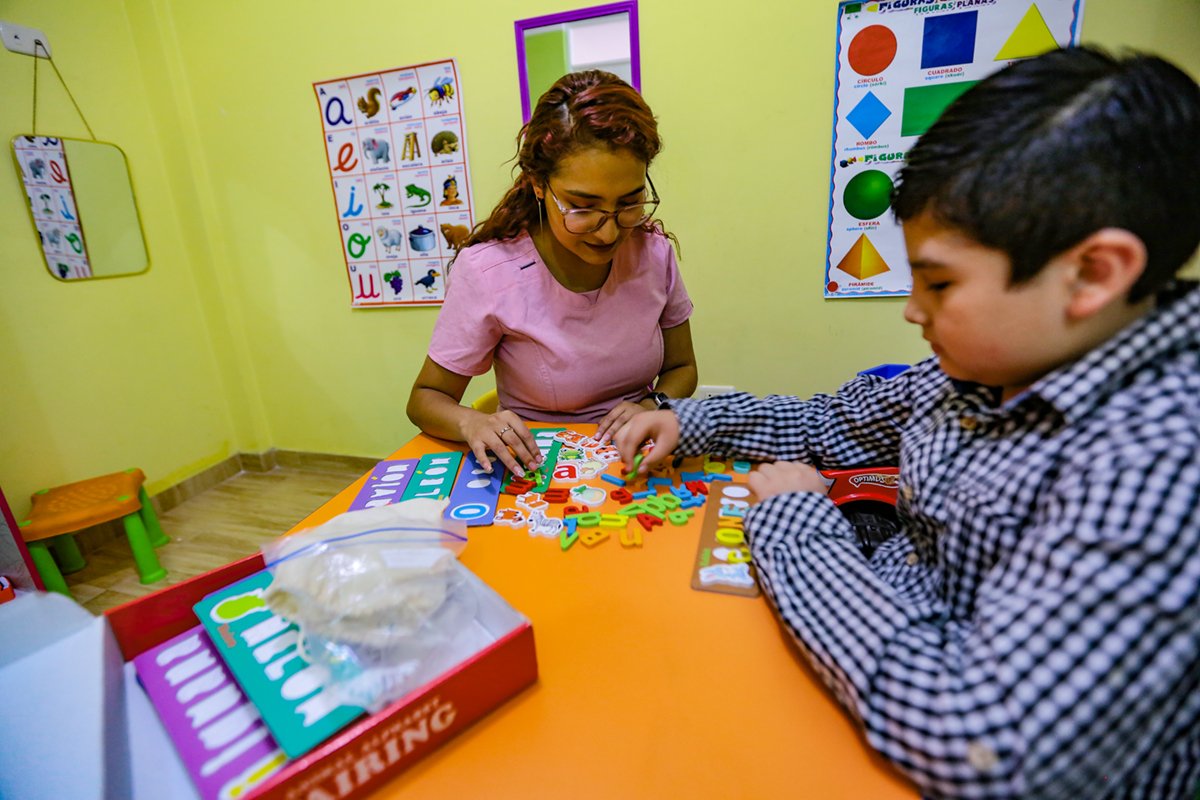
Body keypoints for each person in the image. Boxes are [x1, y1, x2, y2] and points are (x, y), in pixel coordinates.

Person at [615, 47, 1200, 798]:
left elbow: (984, 746)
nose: (912, 309)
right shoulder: (992, 368)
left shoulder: (1161, 461)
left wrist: (797, 522)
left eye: (941, 281)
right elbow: (832, 424)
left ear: (1092, 274)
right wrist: (690, 421)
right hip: (872, 661)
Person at [407, 71, 697, 477]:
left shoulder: (653, 253)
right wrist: (473, 422)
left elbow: (683, 369)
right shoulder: (489, 270)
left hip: (637, 463)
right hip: (538, 473)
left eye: (629, 204)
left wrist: (653, 405)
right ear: (538, 185)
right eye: (582, 207)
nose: (610, 230)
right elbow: (426, 397)